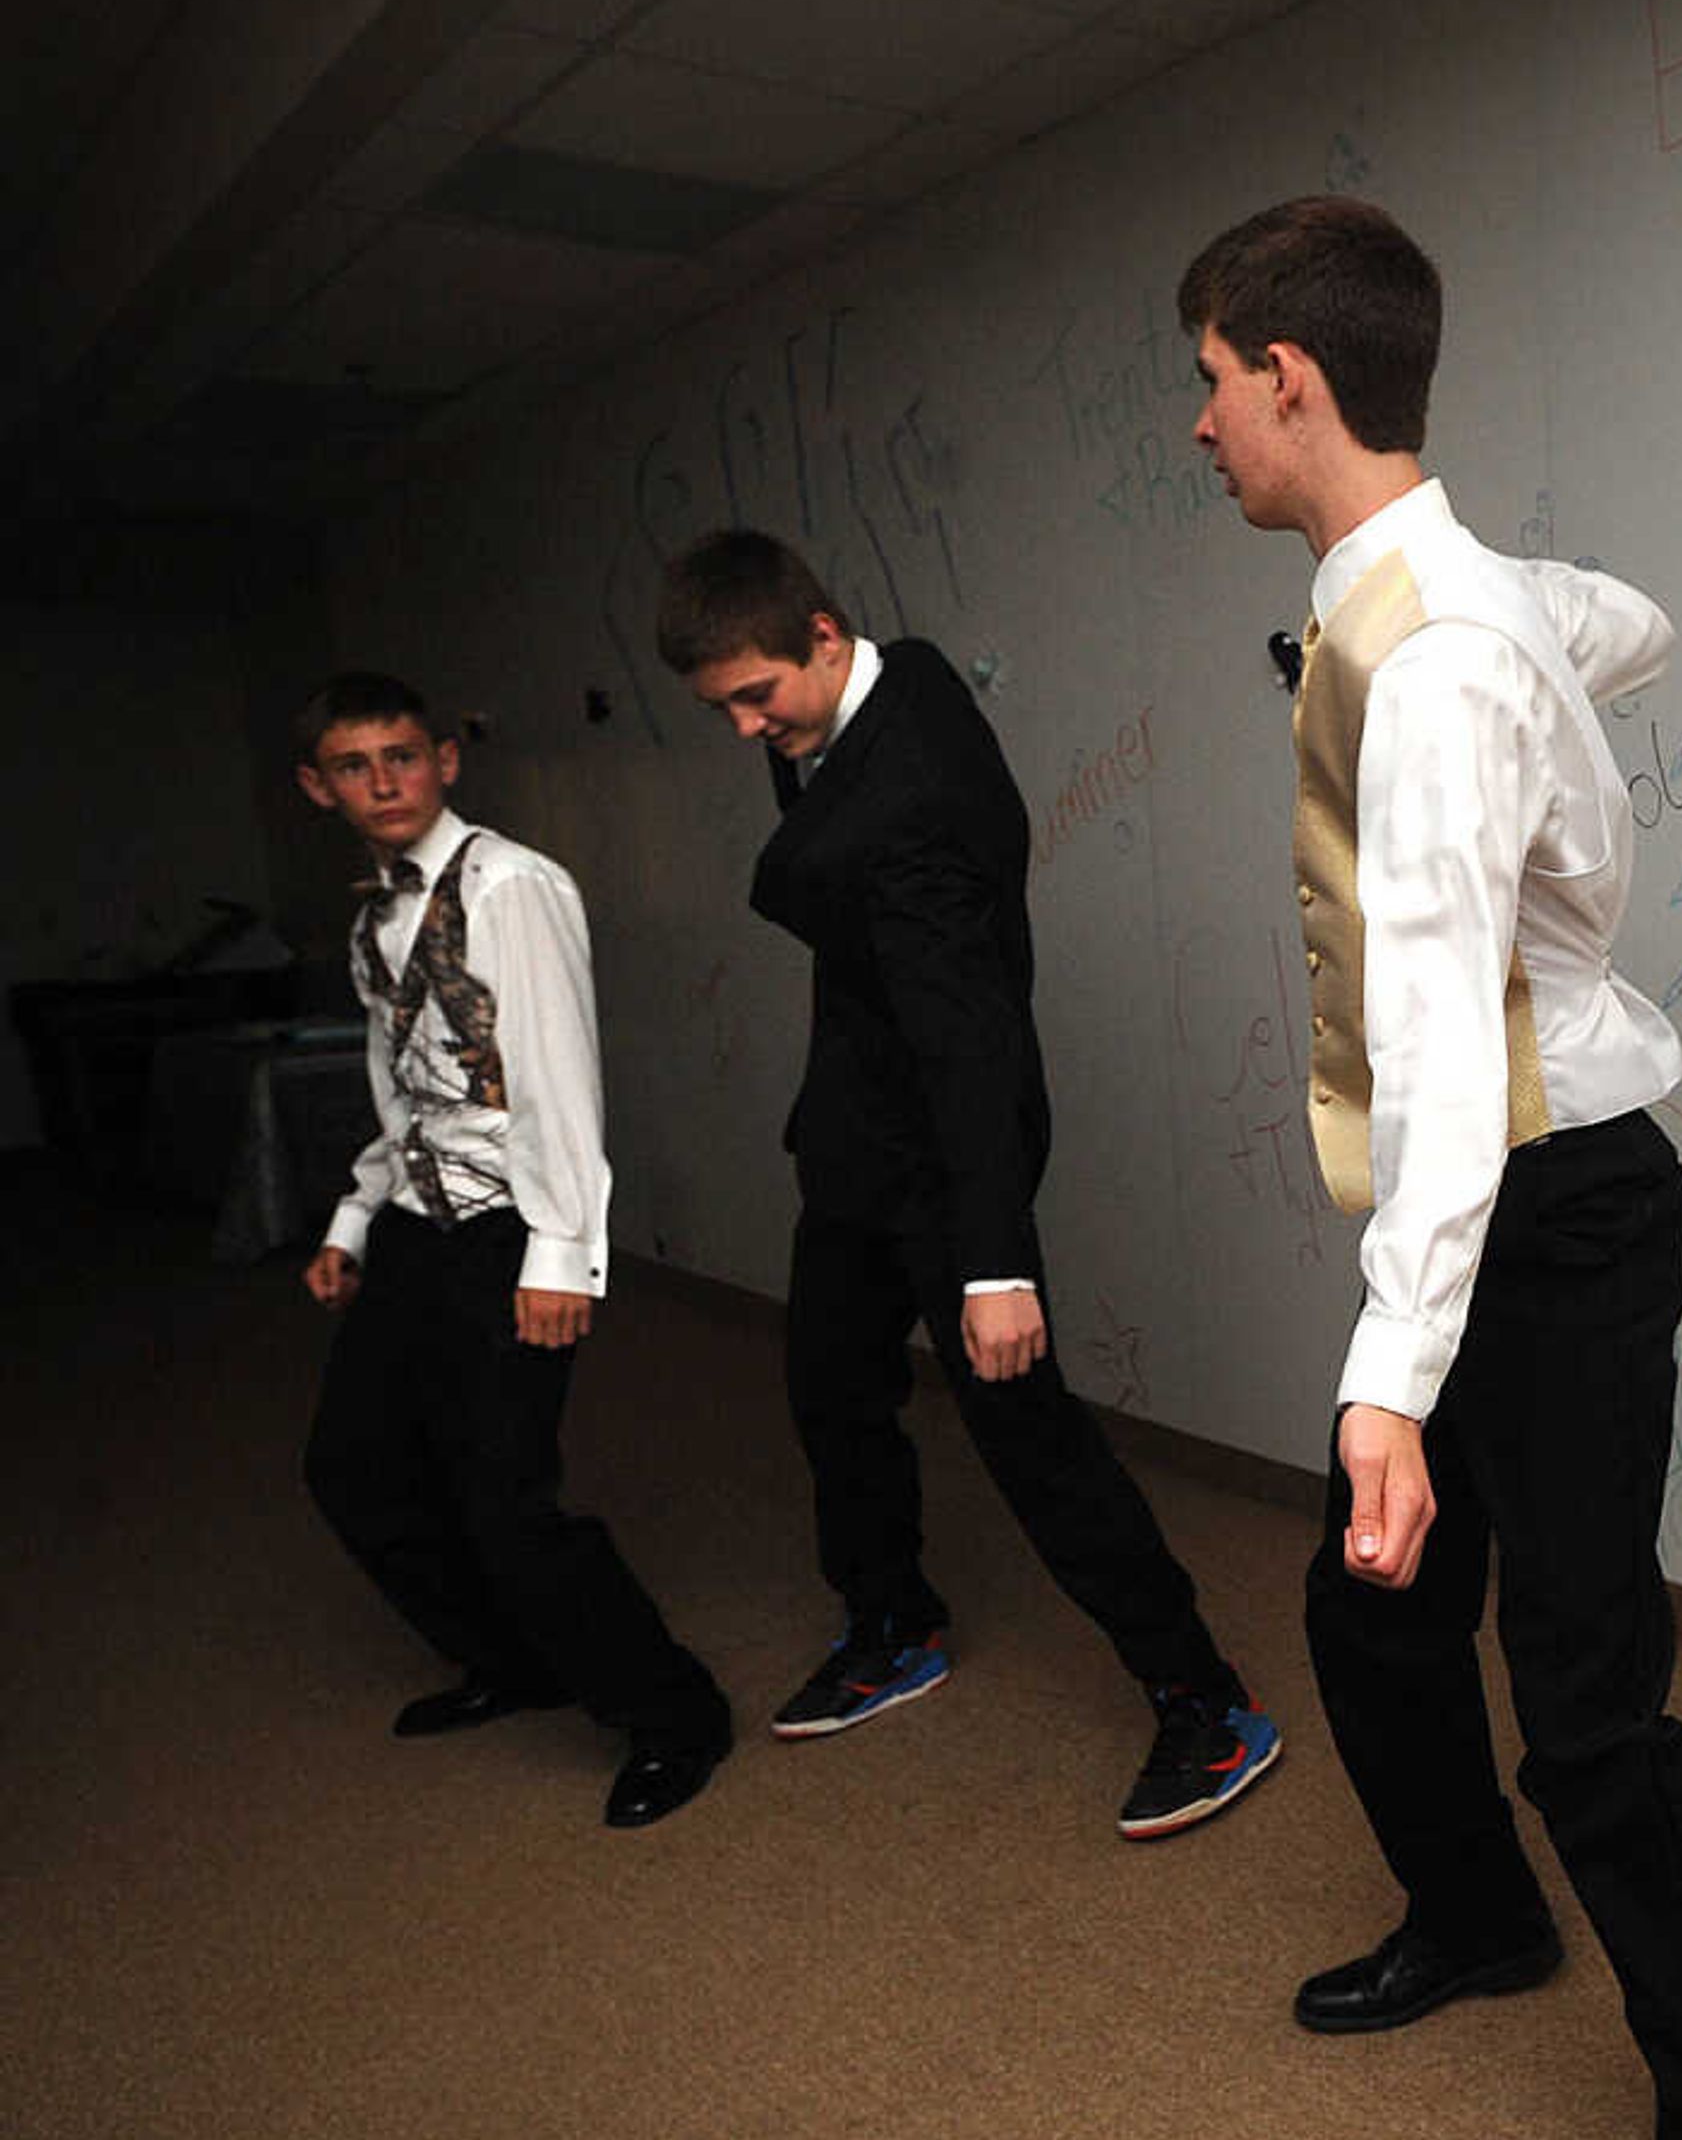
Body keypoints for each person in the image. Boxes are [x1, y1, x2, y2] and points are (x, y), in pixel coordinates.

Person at [1176, 194, 1682, 2140]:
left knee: (1585, 1692)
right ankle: (1480, 1917)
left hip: (1549, 1202)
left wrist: (1385, 1369)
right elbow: (1618, 610)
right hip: (1498, 1198)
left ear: (1291, 377)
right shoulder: (1456, 600)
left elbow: (1451, 1059)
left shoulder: (1441, 661)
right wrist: (1547, 639)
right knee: (1367, 1608)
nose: (1198, 427)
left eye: (1210, 381)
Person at [652, 533, 1279, 1842]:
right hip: (853, 1143)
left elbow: (973, 1038)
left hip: (948, 1161)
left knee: (1030, 1439)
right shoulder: (897, 680)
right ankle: (894, 1622)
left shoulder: (916, 801)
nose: (746, 729)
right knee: (833, 1390)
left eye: (758, 696)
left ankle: (1205, 1704)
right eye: (724, 709)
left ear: (825, 637)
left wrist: (994, 1262)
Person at [294, 671, 734, 1829]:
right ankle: (517, 1658)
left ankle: (673, 1711)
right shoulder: (372, 917)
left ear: (446, 759)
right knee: (355, 1466)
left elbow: (555, 1080)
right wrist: (351, 1220)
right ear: (318, 784)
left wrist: (561, 1254)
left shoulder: (513, 887)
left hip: (511, 1225)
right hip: (414, 1223)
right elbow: (402, 1091)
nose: (382, 781)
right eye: (354, 764)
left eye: (401, 754)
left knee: (507, 1496)